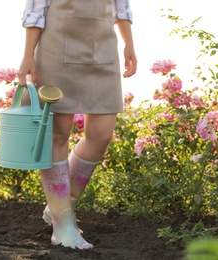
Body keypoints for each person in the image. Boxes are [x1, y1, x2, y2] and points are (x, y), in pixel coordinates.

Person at [17, 0, 137, 249]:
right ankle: (62, 223)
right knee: (58, 135)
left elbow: (121, 6)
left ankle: (60, 206)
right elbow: (36, 9)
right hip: (56, 43)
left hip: (103, 46)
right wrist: (28, 54)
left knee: (101, 134)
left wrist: (129, 42)